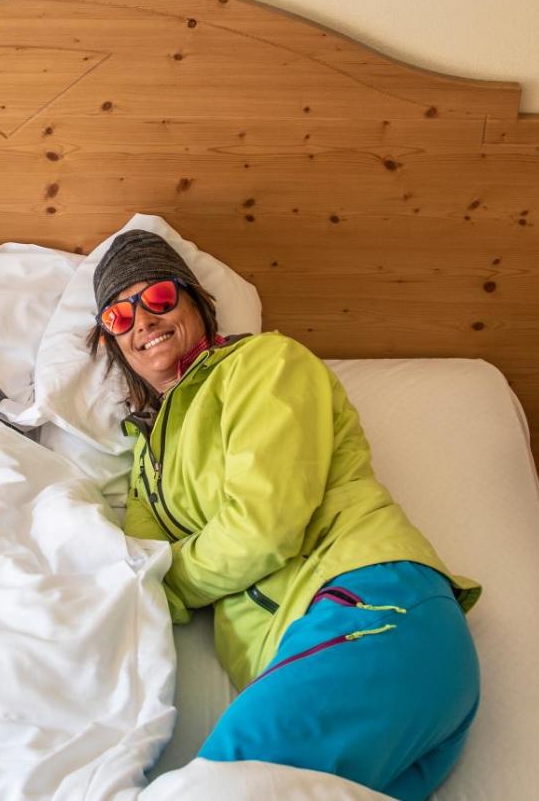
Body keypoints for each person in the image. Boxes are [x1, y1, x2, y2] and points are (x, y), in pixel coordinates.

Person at [89, 230, 480, 801]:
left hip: (371, 610)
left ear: (196, 302)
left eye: (158, 298)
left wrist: (170, 574)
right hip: (306, 659)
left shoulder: (264, 364)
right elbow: (143, 574)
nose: (142, 321)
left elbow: (264, 525)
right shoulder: (148, 460)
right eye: (119, 317)